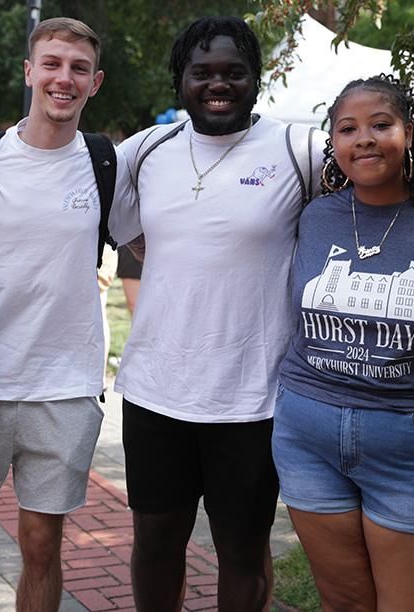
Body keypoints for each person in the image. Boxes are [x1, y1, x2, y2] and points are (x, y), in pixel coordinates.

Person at [0, 18, 137, 612]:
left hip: (65, 387)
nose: (62, 78)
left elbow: (142, 245)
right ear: (30, 72)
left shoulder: (104, 164)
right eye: (51, 63)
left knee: (43, 545)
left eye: (76, 68)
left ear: (94, 83)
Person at [116, 16, 325, 610]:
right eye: (201, 72)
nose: (218, 84)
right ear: (179, 80)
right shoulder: (144, 150)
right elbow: (131, 236)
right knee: (156, 542)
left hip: (254, 397)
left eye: (234, 72)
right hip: (157, 390)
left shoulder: (297, 149)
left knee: (241, 549)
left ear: (256, 80)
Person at [272, 74, 414, 610]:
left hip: (411, 445)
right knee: (346, 603)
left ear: (409, 133)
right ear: (332, 143)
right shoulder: (315, 218)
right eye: (347, 129)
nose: (363, 138)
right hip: (305, 435)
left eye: (379, 125)